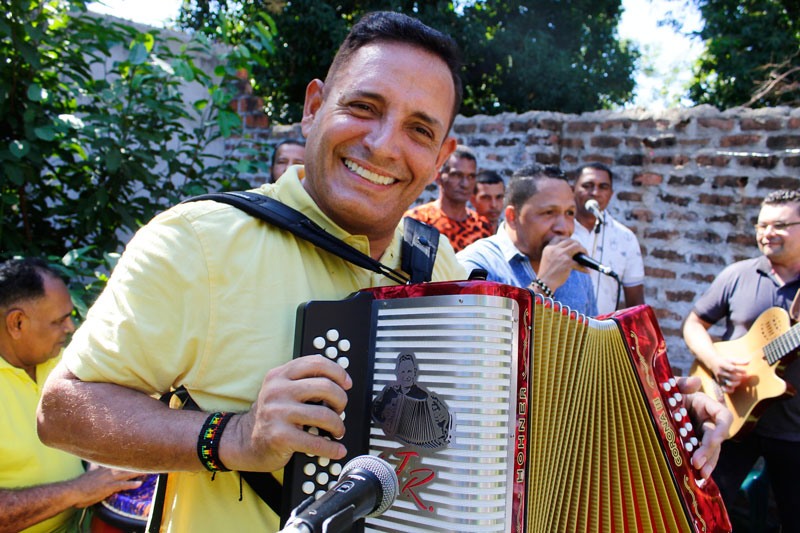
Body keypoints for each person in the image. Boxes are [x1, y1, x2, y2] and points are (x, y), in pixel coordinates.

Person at [38, 12, 727, 533]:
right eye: (363, 107)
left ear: (440, 155)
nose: (382, 144)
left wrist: (663, 418)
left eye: (419, 129)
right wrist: (233, 436)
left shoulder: (439, 264)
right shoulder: (200, 240)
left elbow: (523, 422)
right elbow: (62, 410)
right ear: (313, 108)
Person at [683, 189, 800, 531]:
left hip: (794, 430)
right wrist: (715, 364)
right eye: (762, 224)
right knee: (703, 511)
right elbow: (693, 324)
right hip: (730, 420)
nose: (767, 233)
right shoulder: (739, 274)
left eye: (780, 225)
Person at [0, 258, 141, 533]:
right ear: (17, 322)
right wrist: (77, 490)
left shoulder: (60, 361)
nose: (70, 328)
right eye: (59, 320)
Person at [457, 164, 598, 316]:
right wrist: (545, 284)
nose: (563, 227)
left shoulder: (574, 268)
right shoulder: (476, 265)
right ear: (512, 217)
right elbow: (484, 336)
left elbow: (590, 336)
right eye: (549, 212)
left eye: (570, 213)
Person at [572, 162, 644, 315]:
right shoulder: (558, 230)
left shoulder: (626, 238)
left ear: (611, 194)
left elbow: (635, 302)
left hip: (601, 334)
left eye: (603, 187)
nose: (595, 192)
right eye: (587, 185)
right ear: (573, 190)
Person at [404, 145, 493, 251]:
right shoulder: (417, 220)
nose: (465, 184)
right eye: (456, 175)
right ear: (438, 177)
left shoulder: (482, 227)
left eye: (471, 176)